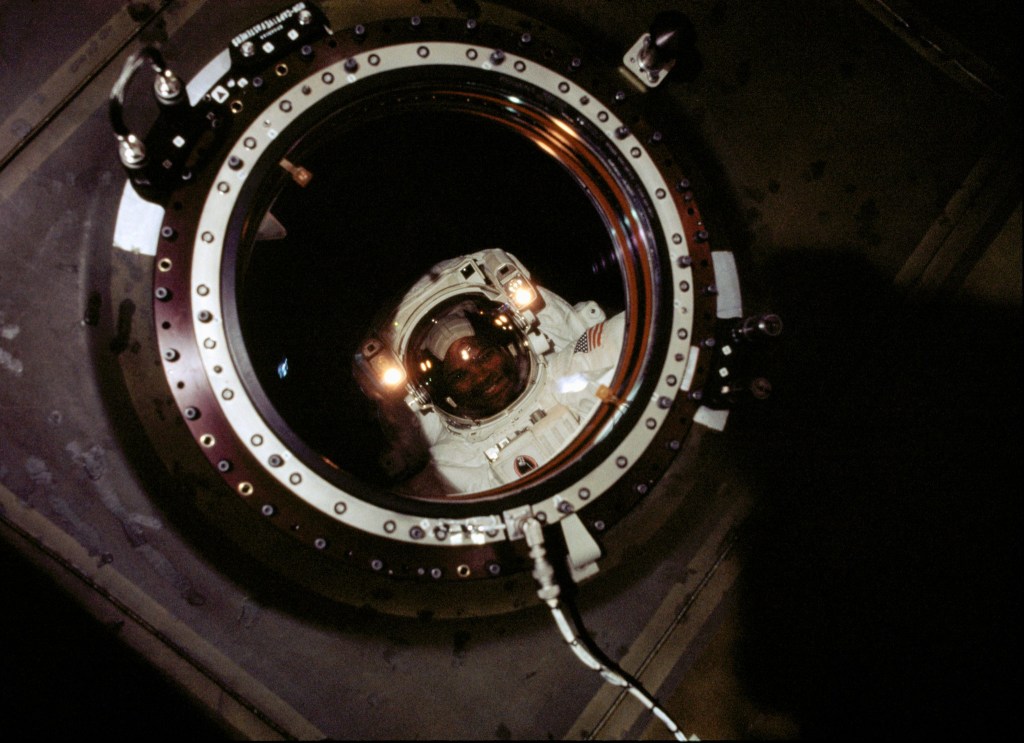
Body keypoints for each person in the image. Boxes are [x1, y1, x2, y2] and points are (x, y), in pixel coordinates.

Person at [355, 248, 623, 495]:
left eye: (483, 356)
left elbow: (637, 334)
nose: (480, 375)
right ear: (432, 394)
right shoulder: (451, 466)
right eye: (459, 376)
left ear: (507, 347)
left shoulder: (568, 372)